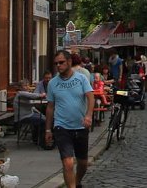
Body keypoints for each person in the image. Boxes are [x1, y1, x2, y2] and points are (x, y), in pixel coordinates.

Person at [45, 50, 94, 188]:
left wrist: (89, 115)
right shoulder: (53, 83)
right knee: (68, 163)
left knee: (83, 163)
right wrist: (48, 129)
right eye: (56, 64)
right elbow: (50, 107)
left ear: (69, 62)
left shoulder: (81, 78)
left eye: (61, 62)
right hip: (62, 127)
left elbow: (90, 97)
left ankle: (76, 182)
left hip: (80, 126)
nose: (58, 66)